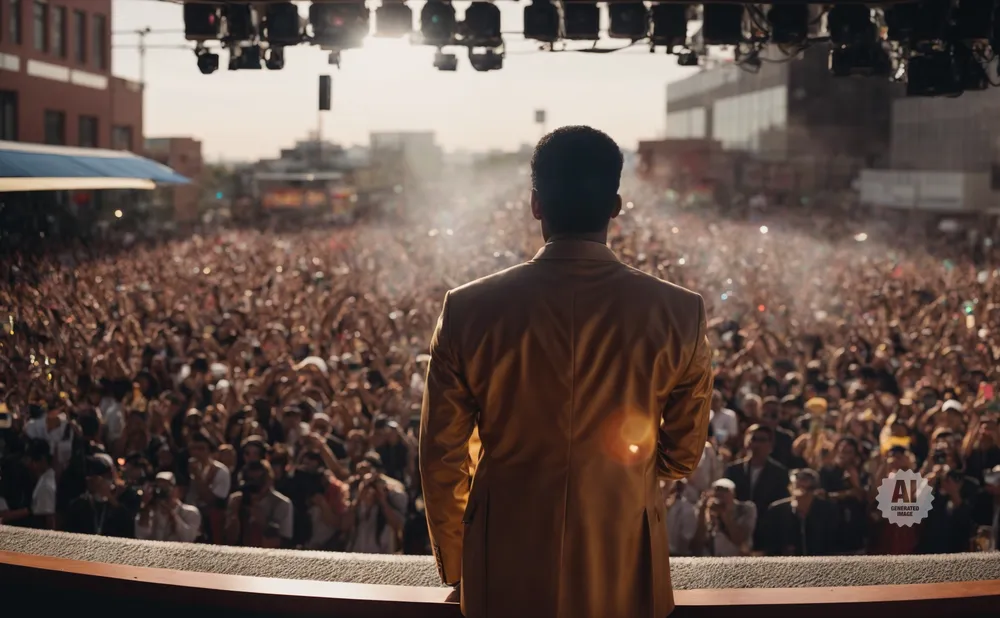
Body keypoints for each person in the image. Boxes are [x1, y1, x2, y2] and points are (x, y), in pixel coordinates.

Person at [419, 126, 712, 618]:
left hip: (502, 566)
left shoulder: (467, 309)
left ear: (536, 204)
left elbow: (442, 459)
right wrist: (618, 478)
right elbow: (682, 455)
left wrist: (459, 566)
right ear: (616, 206)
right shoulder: (680, 313)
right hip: (626, 561)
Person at [135, 472, 202, 543]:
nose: (161, 491)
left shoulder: (190, 512)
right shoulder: (150, 511)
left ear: (178, 490)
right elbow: (140, 536)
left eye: (166, 487)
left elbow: (188, 538)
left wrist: (172, 514)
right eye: (159, 487)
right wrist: (145, 509)